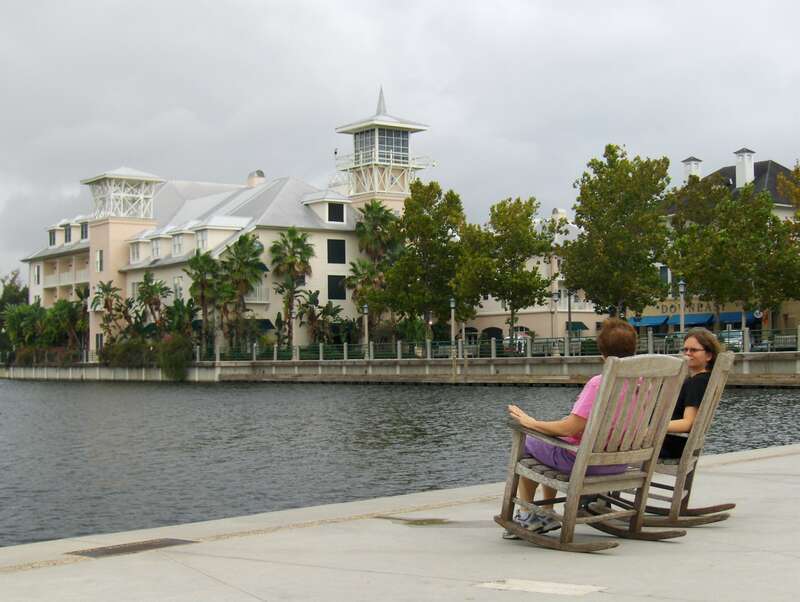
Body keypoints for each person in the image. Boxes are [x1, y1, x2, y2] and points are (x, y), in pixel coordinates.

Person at [503, 318, 637, 539]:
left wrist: (531, 422)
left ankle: (528, 514)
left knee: (529, 441)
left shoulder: (598, 383)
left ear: (602, 352)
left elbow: (569, 428)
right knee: (547, 441)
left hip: (586, 464)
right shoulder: (645, 382)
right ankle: (546, 511)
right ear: (634, 348)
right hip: (619, 464)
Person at [660, 327, 722, 459]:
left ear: (709, 356)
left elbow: (688, 423)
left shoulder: (697, 382)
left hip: (669, 446)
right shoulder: (703, 379)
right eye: (685, 349)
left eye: (693, 350)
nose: (688, 354)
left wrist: (650, 428)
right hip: (670, 442)